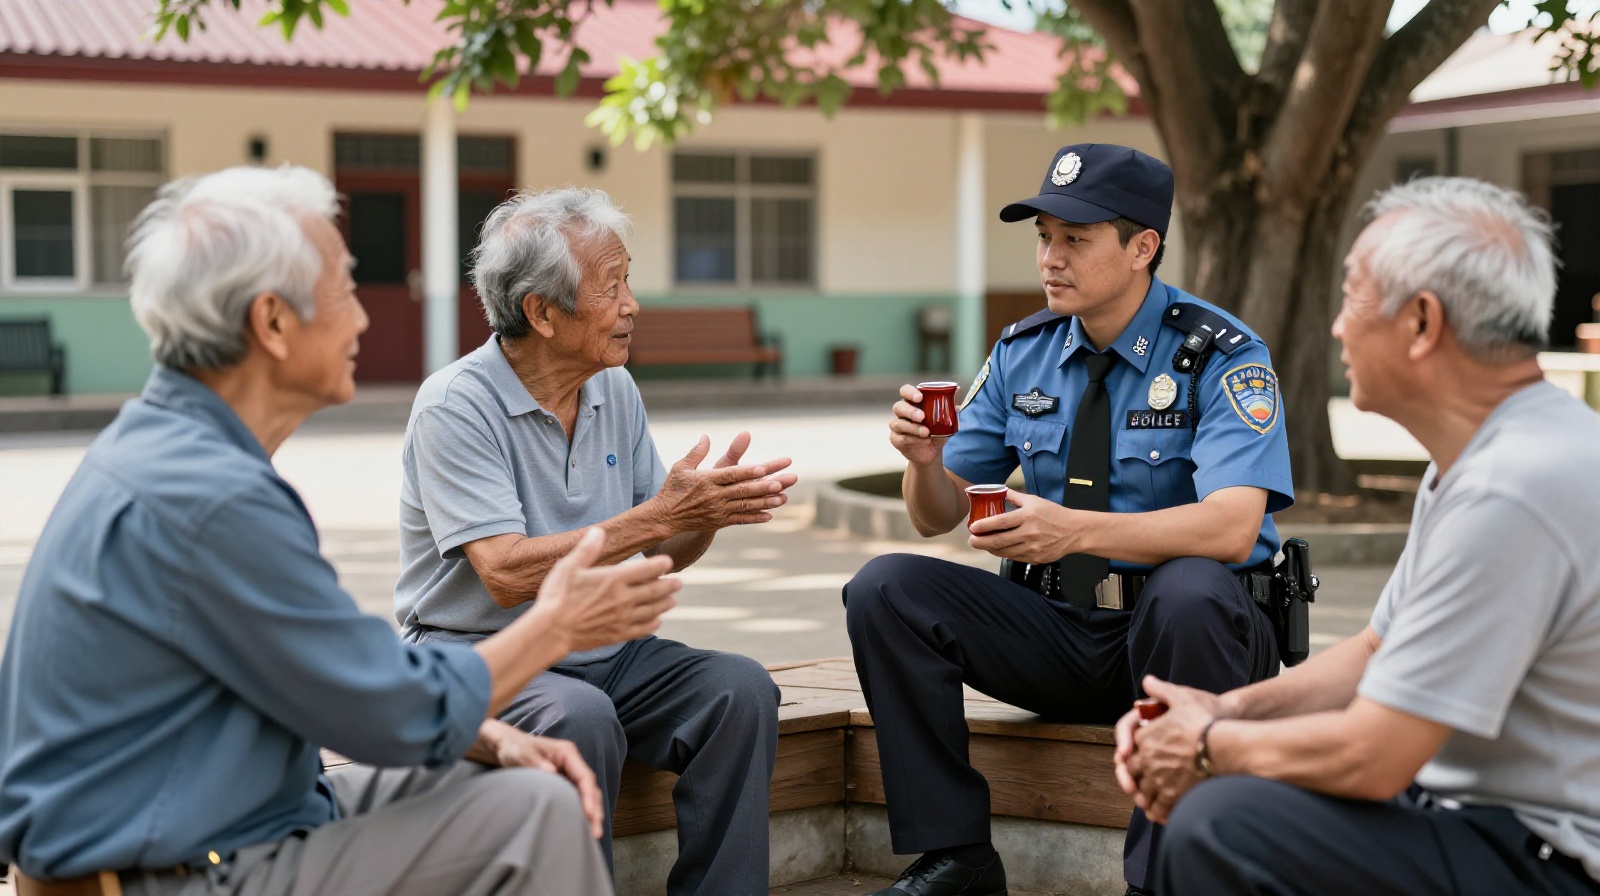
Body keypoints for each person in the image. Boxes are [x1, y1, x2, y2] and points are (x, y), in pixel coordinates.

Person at [0, 166, 683, 896]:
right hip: (171, 869)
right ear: (272, 322)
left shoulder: (169, 451)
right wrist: (555, 626)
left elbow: (332, 681)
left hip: (239, 815)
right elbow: (392, 713)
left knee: (528, 784)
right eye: (343, 294)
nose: (362, 318)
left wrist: (489, 734)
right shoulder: (211, 498)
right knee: (531, 817)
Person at [1118, 177, 1600, 896]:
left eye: (1352, 296)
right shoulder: (1489, 456)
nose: (1338, 327)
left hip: (1546, 858)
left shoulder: (1512, 486)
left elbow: (1374, 756)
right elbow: (1376, 650)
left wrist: (1207, 747)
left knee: (1221, 823)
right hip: (1475, 818)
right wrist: (1223, 707)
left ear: (1421, 322)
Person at [843, 143, 1294, 896]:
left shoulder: (1220, 355)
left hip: (1190, 647)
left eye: (1075, 240)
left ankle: (1163, 880)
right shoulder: (1025, 352)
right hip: (1061, 633)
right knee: (884, 588)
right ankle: (954, 856)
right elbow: (936, 517)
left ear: (1142, 247)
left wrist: (1076, 531)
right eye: (1044, 237)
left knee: (1190, 591)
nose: (1050, 258)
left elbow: (1231, 529)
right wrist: (924, 462)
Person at [394, 187, 798, 896]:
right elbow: (505, 575)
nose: (632, 304)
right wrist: (658, 514)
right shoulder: (456, 404)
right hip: (479, 658)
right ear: (542, 313)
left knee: (740, 690)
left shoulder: (615, 388)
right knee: (581, 718)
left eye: (628, 280)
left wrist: (703, 513)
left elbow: (659, 549)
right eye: (611, 287)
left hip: (603, 652)